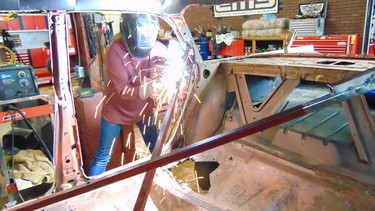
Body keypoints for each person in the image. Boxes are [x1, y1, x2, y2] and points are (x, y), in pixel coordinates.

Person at [88, 13, 168, 176]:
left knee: (157, 148)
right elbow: (123, 90)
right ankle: (90, 192)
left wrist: (163, 80)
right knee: (103, 156)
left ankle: (169, 179)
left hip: (143, 111)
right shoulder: (115, 51)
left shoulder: (159, 48)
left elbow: (165, 70)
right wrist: (145, 90)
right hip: (115, 111)